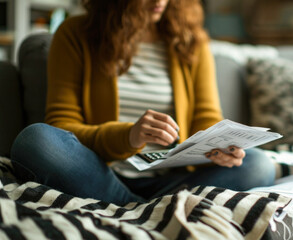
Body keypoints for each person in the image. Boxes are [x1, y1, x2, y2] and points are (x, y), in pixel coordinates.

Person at [11, 0, 275, 206]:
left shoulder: (192, 40)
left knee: (257, 164)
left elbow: (205, 118)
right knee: (35, 140)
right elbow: (61, 124)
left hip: (170, 180)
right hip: (97, 173)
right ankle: (146, 207)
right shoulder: (75, 34)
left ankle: (126, 206)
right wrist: (129, 135)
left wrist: (221, 148)